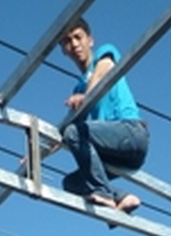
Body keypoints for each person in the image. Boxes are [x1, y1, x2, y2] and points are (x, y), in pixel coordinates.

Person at [59, 16, 149, 216]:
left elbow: (101, 73)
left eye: (77, 37)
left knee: (75, 132)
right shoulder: (78, 87)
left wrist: (85, 97)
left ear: (90, 40)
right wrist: (36, 154)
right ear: (63, 50)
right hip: (116, 155)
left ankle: (103, 193)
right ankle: (123, 198)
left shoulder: (104, 54)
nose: (74, 44)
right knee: (71, 183)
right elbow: (64, 130)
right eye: (67, 41)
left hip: (131, 132)